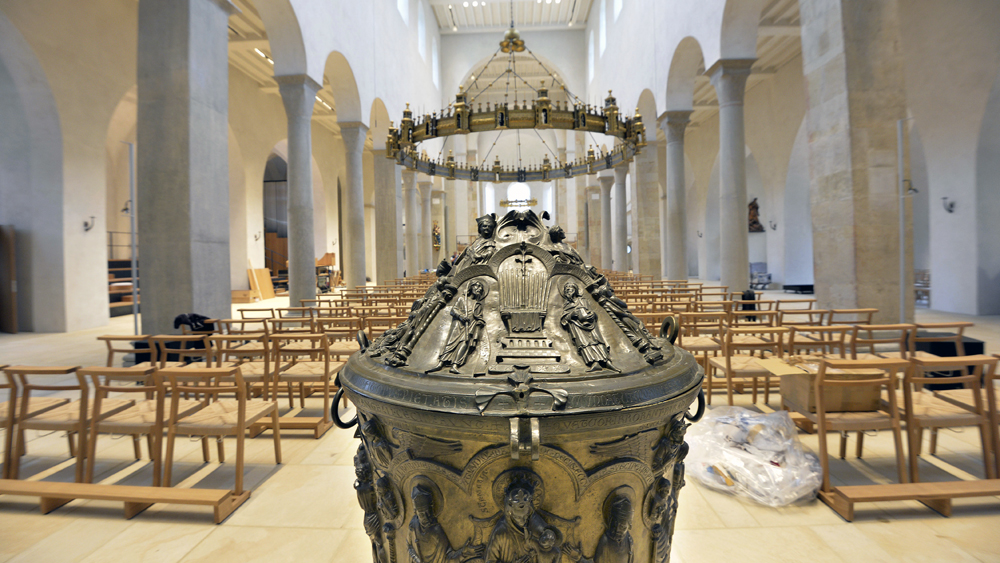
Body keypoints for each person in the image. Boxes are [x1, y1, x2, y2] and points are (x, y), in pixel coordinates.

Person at [429, 280, 487, 373]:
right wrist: (461, 316)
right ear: (470, 288)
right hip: (459, 324)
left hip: (471, 325)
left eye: (480, 287)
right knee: (451, 343)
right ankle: (441, 363)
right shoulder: (462, 299)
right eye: (476, 286)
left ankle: (455, 365)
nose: (478, 289)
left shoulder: (478, 304)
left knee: (464, 343)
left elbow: (479, 316)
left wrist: (479, 322)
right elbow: (453, 310)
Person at [560, 282, 618, 373]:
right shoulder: (567, 305)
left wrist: (592, 315)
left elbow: (591, 311)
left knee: (597, 340)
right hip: (577, 327)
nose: (568, 290)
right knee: (584, 344)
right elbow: (564, 319)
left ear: (575, 290)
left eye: (571, 288)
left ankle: (606, 362)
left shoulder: (583, 300)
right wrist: (572, 314)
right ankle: (595, 363)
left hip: (590, 324)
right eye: (566, 289)